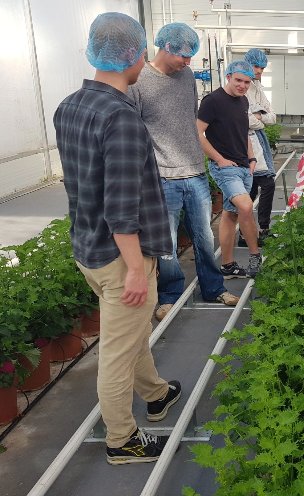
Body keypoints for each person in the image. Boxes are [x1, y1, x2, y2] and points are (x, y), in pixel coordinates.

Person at [53, 12, 181, 465]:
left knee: (130, 333)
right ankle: (122, 440)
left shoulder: (70, 106)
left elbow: (83, 182)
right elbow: (122, 207)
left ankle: (157, 393)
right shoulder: (121, 118)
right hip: (120, 256)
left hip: (87, 247)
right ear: (135, 55)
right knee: (116, 352)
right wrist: (136, 271)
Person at [129, 23, 240, 322]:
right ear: (165, 48)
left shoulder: (187, 76)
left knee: (204, 236)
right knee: (166, 242)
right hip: (162, 175)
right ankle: (170, 296)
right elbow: (134, 129)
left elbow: (192, 119)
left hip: (194, 171)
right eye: (184, 56)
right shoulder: (139, 81)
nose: (188, 62)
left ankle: (214, 288)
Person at [197, 60, 262, 278]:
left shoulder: (243, 101)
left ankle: (227, 265)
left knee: (230, 214)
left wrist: (252, 158)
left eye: (247, 82)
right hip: (225, 169)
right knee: (245, 206)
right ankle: (255, 256)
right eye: (238, 80)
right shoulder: (213, 101)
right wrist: (219, 159)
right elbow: (197, 133)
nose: (242, 85)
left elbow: (244, 132)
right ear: (228, 77)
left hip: (243, 167)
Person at [243, 48, 278, 246]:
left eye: (262, 68)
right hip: (242, 143)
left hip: (259, 144)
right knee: (249, 190)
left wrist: (257, 117)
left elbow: (272, 117)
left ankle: (263, 229)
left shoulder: (257, 87)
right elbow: (243, 120)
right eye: (256, 66)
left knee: (266, 185)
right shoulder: (240, 87)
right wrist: (259, 118)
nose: (259, 71)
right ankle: (246, 234)